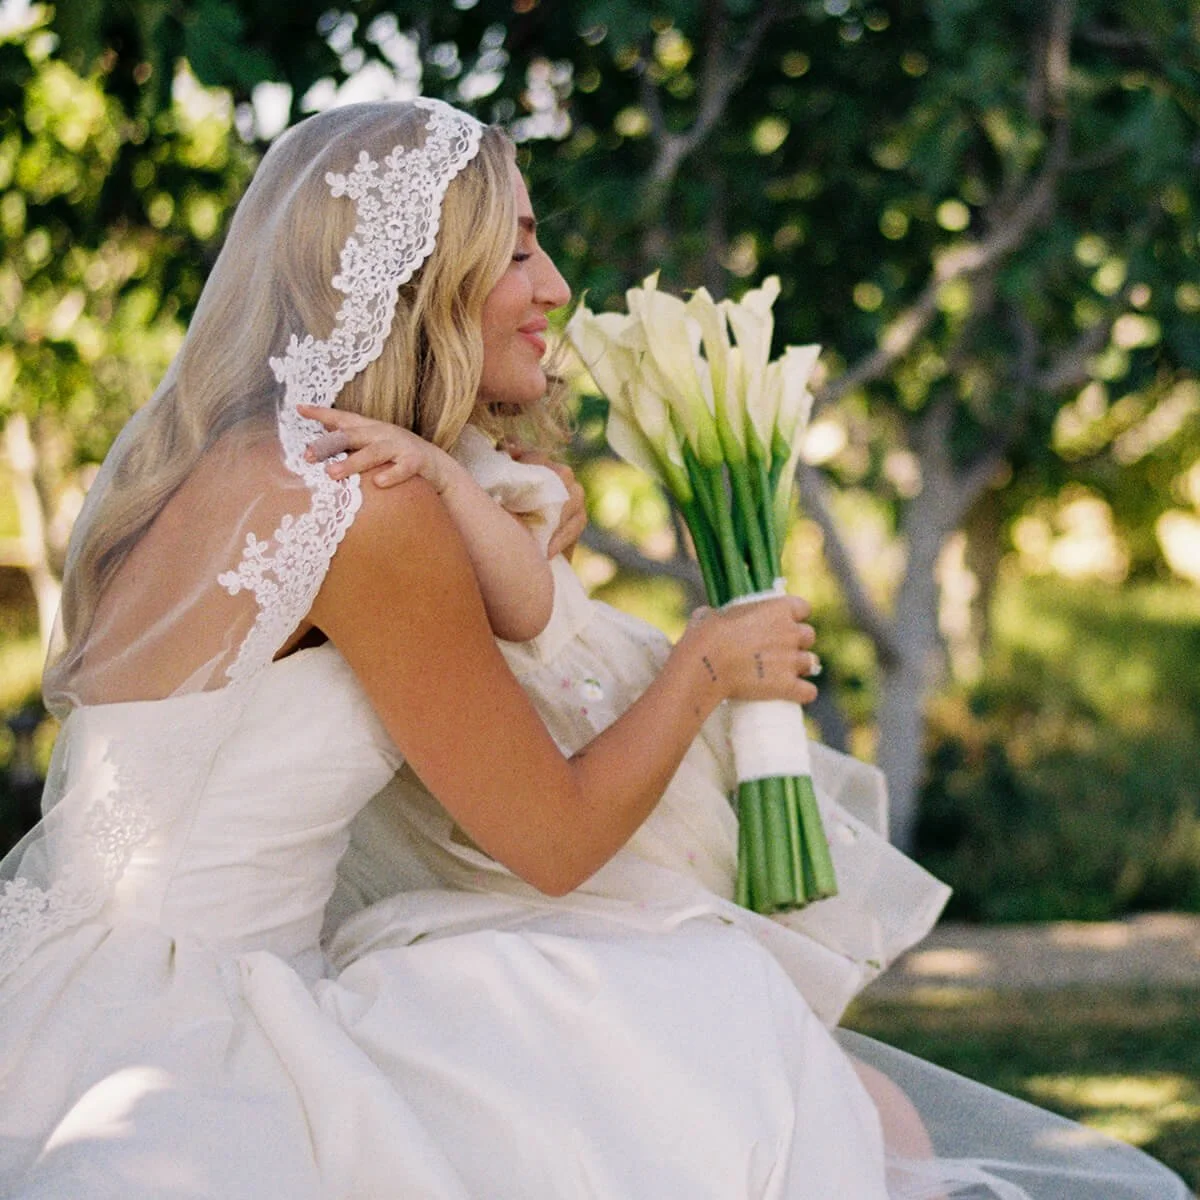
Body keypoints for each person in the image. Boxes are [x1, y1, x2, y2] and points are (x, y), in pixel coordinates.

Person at [0, 97, 1187, 1200]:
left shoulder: (237, 466)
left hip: (70, 990)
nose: (555, 285)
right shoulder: (369, 507)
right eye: (517, 249)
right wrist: (706, 669)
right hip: (211, 1026)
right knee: (708, 1021)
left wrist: (497, 502)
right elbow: (555, 840)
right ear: (422, 279)